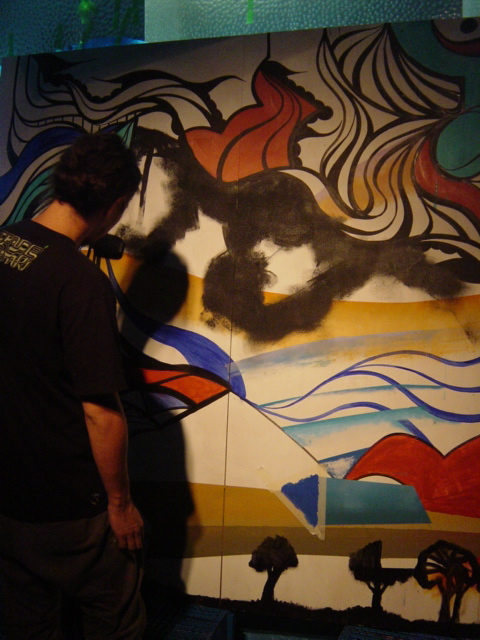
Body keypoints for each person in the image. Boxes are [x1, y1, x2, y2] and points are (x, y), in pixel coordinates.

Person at [0, 132, 145, 639]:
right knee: (114, 618)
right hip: (69, 507)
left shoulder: (4, 241)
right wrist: (119, 505)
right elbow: (100, 412)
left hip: (9, 496)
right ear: (114, 204)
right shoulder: (79, 282)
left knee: (26, 625)